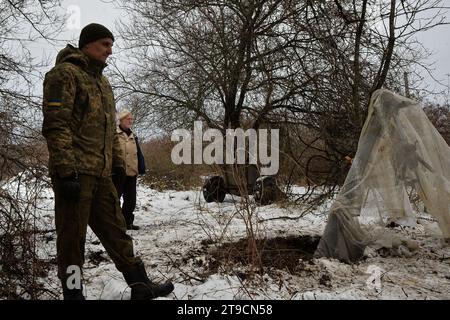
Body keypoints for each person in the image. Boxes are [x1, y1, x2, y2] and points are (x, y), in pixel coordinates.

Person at [41, 23, 173, 300]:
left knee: (117, 231)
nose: (110, 51)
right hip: (75, 174)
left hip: (101, 176)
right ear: (87, 44)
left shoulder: (103, 82)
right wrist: (66, 173)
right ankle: (73, 294)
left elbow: (110, 128)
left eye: (111, 45)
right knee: (72, 241)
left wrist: (116, 165)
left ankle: (140, 284)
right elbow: (56, 126)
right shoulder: (64, 75)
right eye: (104, 44)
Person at [114, 110, 146, 230]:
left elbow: (138, 153)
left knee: (130, 201)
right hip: (118, 173)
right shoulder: (114, 135)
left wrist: (141, 168)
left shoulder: (134, 136)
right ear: (121, 120)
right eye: (128, 119)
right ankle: (116, 223)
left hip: (132, 173)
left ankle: (128, 222)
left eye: (131, 119)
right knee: (115, 200)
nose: (130, 121)